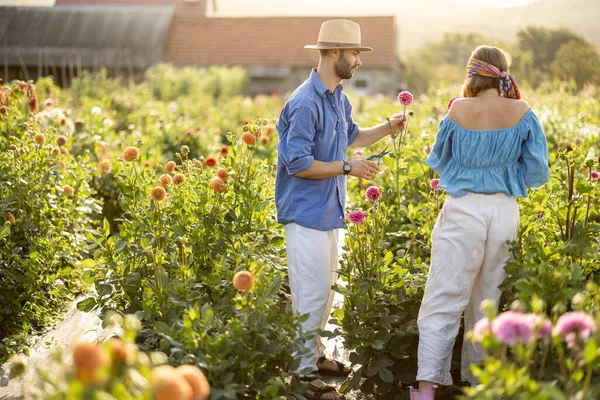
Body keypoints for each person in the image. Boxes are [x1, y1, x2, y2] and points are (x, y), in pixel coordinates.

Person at [275, 19, 407, 400]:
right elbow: (298, 164)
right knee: (310, 293)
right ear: (333, 53)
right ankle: (302, 377)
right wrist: (349, 168)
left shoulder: (337, 97)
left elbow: (351, 137)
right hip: (305, 213)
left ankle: (314, 358)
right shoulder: (303, 103)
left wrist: (387, 127)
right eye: (354, 54)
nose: (359, 61)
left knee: (328, 292)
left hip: (330, 209)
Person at [414, 45, 550, 398]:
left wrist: (473, 167)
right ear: (503, 73)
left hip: (464, 209)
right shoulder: (523, 111)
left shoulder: (457, 110)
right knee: (488, 298)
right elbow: (537, 173)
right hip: (504, 211)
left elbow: (438, 162)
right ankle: (479, 386)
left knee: (443, 297)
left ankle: (427, 390)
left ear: (473, 73)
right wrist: (505, 170)